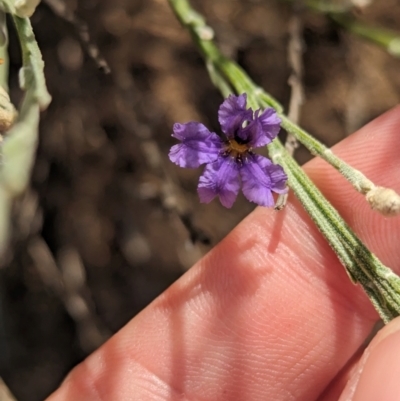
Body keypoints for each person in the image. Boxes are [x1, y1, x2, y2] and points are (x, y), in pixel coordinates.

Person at [46, 106, 400, 401]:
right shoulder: (231, 151)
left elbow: (256, 130)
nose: (237, 146)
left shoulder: (247, 153)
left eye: (241, 141)